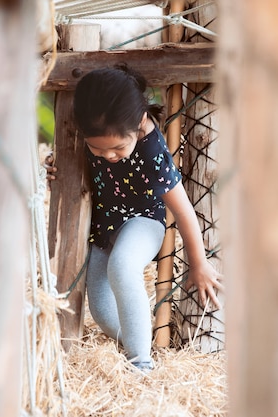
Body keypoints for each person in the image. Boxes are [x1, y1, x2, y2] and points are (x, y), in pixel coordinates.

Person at [45, 64, 223, 371]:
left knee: (123, 266)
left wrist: (199, 263)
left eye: (117, 148)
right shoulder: (93, 135)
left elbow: (182, 210)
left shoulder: (152, 150)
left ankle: (142, 365)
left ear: (139, 124)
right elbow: (73, 161)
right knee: (100, 307)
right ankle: (137, 340)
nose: (108, 156)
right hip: (104, 226)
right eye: (97, 149)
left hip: (144, 221)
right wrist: (54, 164)